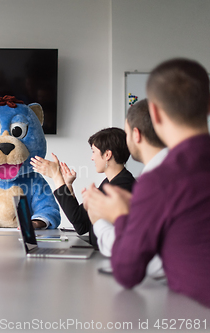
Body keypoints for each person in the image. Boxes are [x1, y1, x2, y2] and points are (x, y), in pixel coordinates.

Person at [86, 58, 210, 308]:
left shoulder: (161, 180)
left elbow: (127, 272)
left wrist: (119, 216)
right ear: (208, 105)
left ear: (154, 113)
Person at [92, 100, 167, 279]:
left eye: (126, 134)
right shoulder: (152, 177)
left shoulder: (155, 182)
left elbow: (132, 257)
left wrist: (100, 220)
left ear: (136, 134)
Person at [31, 128, 135, 248]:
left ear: (107, 155)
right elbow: (81, 225)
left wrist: (56, 176)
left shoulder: (121, 186)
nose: (92, 158)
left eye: (93, 152)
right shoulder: (111, 182)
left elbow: (76, 217)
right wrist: (68, 184)